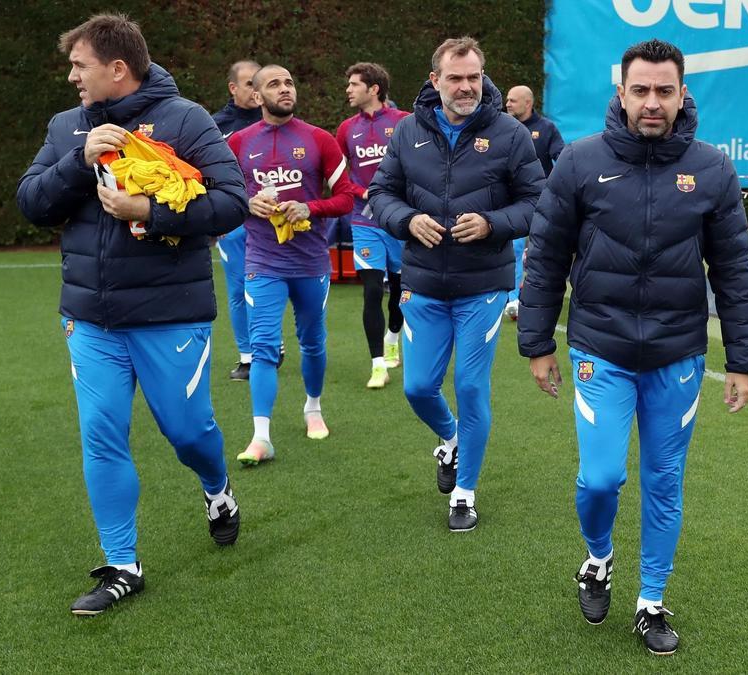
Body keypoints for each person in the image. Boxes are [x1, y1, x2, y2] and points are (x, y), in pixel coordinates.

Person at [518, 38, 748, 655]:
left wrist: (742, 359)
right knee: (601, 479)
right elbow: (545, 257)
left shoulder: (712, 168)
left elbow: (733, 268)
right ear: (620, 93)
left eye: (664, 91)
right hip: (601, 349)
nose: (652, 103)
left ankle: (651, 600)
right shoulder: (578, 162)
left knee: (664, 480)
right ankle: (597, 559)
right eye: (641, 90)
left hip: (678, 355)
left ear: (683, 95)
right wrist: (538, 342)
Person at [16, 13, 248, 616]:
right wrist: (76, 161)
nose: (71, 77)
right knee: (101, 434)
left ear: (117, 68)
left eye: (79, 65)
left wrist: (148, 207)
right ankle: (123, 564)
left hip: (171, 314)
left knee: (187, 432)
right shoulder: (68, 126)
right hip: (90, 319)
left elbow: (232, 203)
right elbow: (31, 202)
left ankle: (216, 488)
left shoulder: (186, 120)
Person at [368, 37, 544, 532]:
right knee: (419, 387)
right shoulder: (407, 132)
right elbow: (380, 193)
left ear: (482, 77)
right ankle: (451, 439)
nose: (466, 87)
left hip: (483, 285)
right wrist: (406, 220)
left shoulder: (509, 133)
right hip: (421, 282)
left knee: (469, 386)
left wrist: (492, 223)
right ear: (435, 81)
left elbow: (538, 202)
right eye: (455, 78)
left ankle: (464, 493)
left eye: (474, 77)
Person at [230, 64, 361, 465]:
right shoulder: (237, 143)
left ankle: (313, 407)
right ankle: (261, 436)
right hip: (262, 260)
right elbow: (219, 195)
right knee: (264, 346)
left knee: (312, 341)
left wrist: (309, 205)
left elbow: (347, 197)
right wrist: (245, 203)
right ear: (256, 95)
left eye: (289, 82)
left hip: (309, 261)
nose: (285, 89)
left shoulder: (319, 139)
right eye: (274, 84)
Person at [336, 62, 411, 389]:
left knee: (400, 291)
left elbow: (421, 166)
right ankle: (377, 363)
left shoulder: (404, 122)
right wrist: (362, 192)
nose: (349, 90)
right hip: (363, 220)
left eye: (354, 84)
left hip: (399, 219)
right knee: (370, 291)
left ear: (374, 88)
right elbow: (338, 176)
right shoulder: (345, 129)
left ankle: (393, 335)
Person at [212, 60, 264, 381]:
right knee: (238, 288)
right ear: (233, 88)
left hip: (272, 219)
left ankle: (270, 342)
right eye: (249, 85)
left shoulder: (277, 120)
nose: (257, 91)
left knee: (270, 285)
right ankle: (248, 356)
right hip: (233, 220)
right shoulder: (215, 126)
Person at [503, 85, 565, 319]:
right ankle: (513, 299)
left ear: (528, 103)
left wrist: (559, 187)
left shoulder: (546, 128)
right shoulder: (503, 127)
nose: (507, 104)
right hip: (513, 201)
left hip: (543, 201)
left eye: (512, 100)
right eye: (507, 100)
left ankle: (545, 296)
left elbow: (561, 157)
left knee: (546, 250)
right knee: (516, 248)